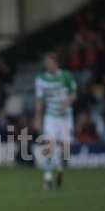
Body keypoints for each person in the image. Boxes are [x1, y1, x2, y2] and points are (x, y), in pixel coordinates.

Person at [34, 52, 77, 190]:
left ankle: (59, 168)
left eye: (50, 63)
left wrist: (68, 102)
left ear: (56, 63)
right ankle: (47, 179)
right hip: (51, 117)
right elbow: (40, 101)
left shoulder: (66, 76)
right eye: (46, 63)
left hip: (66, 118)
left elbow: (74, 93)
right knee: (50, 146)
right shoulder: (40, 79)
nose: (48, 65)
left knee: (65, 148)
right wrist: (37, 118)